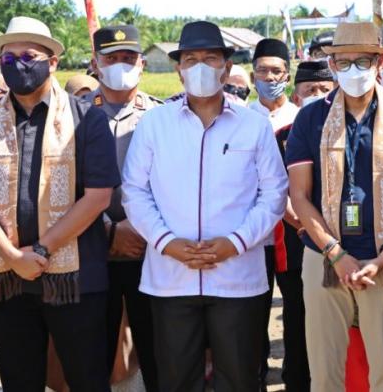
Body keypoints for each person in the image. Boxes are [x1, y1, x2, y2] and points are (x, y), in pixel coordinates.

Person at [121, 20, 287, 391]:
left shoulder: (252, 125)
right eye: (190, 59)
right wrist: (166, 242)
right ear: (178, 70)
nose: (200, 67)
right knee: (177, 380)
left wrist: (236, 242)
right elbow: (134, 191)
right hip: (170, 279)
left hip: (237, 278)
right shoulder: (155, 124)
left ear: (226, 68)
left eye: (210, 59)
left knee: (240, 379)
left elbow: (274, 193)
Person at [0, 16, 119, 391]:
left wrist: (43, 249)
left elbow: (98, 196)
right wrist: (14, 257)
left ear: (52, 62)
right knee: (20, 381)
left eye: (28, 55)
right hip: (7, 281)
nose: (18, 64)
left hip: (76, 280)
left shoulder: (88, 120)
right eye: (8, 57)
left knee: (87, 380)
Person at [285, 22, 383, 392]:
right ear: (331, 65)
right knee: (325, 372)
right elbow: (300, 196)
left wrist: (382, 257)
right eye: (342, 62)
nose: (352, 71)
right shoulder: (311, 117)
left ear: (380, 62)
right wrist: (336, 254)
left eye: (361, 61)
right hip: (324, 257)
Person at [80, 25, 162, 392]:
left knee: (159, 353)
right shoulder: (73, 116)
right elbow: (61, 188)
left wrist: (141, 229)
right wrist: (109, 231)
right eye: (111, 59)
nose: (120, 66)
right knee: (93, 356)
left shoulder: (163, 116)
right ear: (96, 64)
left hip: (153, 254)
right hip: (93, 252)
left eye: (128, 58)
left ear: (142, 64)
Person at [248, 38, 307, 392]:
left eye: (276, 71)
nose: (269, 77)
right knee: (251, 316)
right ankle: (253, 378)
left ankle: (297, 380)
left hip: (295, 232)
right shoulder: (239, 117)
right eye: (262, 71)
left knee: (297, 314)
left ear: (287, 74)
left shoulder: (302, 118)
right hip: (253, 236)